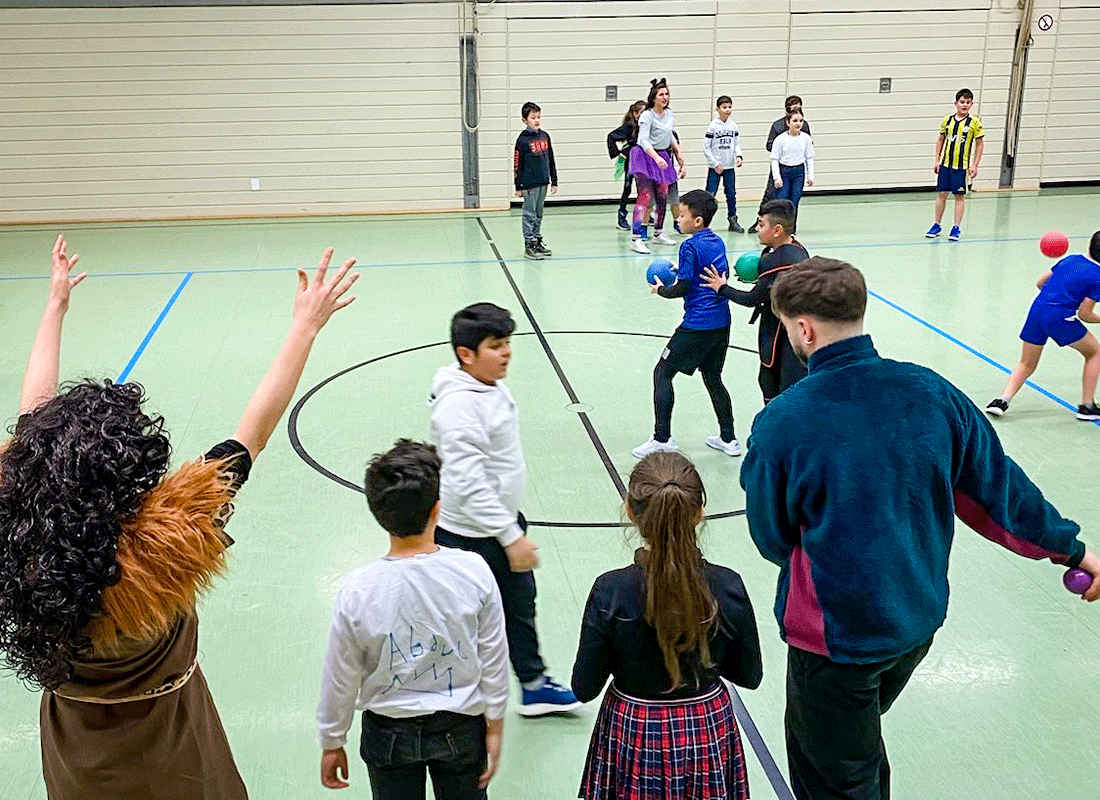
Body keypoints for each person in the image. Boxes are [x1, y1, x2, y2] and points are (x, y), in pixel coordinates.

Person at [0, 237, 359, 800]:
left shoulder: (19, 529)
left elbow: (33, 426)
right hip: (175, 748)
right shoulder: (167, 544)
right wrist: (305, 326)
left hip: (76, 754)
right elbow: (253, 433)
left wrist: (54, 308)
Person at [740, 256, 1100, 800]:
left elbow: (771, 537)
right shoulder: (934, 394)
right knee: (855, 747)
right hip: (915, 624)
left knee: (833, 779)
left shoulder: (784, 422)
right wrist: (1072, 551)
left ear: (803, 329)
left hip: (836, 643)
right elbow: (999, 494)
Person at [316, 440, 509, 799]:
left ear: (376, 511)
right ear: (438, 509)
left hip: (387, 734)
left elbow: (340, 676)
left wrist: (332, 740)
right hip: (460, 727)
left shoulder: (358, 590)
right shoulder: (474, 571)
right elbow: (494, 659)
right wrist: (495, 724)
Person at [571, 451, 762, 800]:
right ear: (699, 512)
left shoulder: (611, 591)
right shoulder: (727, 585)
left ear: (631, 511)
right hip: (706, 730)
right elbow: (749, 675)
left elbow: (584, 686)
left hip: (634, 730)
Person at [428, 303, 580, 716]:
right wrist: (510, 537)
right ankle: (451, 694)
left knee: (519, 604)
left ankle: (533, 685)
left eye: (508, 343)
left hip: (500, 524)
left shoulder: (489, 384)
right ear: (466, 354)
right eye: (496, 346)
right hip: (469, 536)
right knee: (464, 617)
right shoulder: (460, 407)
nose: (506, 353)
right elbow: (466, 482)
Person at [633, 189, 739, 458]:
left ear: (698, 220)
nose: (678, 219)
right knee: (713, 377)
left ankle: (662, 438)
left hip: (697, 324)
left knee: (662, 373)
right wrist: (681, 268)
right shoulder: (716, 241)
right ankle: (729, 439)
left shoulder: (689, 245)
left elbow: (684, 287)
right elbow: (703, 273)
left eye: (682, 215)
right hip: (721, 323)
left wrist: (661, 290)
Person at [701, 199, 810, 403]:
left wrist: (722, 287)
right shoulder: (796, 249)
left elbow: (751, 299)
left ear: (777, 230)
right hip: (798, 330)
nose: (758, 229)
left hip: (784, 335)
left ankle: (779, 429)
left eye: (761, 224)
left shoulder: (776, 262)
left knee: (776, 383)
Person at [986, 230, 1100, 420]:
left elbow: (1040, 283)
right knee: (1094, 352)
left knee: (1027, 363)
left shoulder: (1070, 259)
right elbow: (1085, 314)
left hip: (1037, 310)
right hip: (1060, 318)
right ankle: (1087, 406)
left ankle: (1002, 400)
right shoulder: (1098, 276)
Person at [628, 77, 686, 255]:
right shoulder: (647, 115)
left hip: (662, 155)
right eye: (661, 94)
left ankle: (659, 231)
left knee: (663, 196)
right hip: (645, 156)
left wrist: (678, 153)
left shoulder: (669, 114)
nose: (665, 97)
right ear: (654, 97)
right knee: (645, 197)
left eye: (667, 94)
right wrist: (655, 157)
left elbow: (670, 136)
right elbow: (642, 140)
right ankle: (636, 237)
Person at [925, 88, 984, 242]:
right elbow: (940, 140)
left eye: (968, 102)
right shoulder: (948, 120)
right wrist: (937, 160)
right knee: (941, 194)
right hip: (945, 165)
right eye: (962, 102)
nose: (964, 105)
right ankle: (936, 224)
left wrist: (975, 165)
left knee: (959, 196)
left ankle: (956, 227)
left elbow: (979, 144)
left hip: (961, 167)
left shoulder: (974, 122)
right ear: (956, 103)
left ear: (971, 104)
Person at [749, 96, 812, 235]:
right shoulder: (777, 126)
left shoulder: (804, 127)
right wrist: (783, 149)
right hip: (780, 167)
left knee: (793, 200)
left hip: (797, 168)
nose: (798, 123)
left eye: (799, 108)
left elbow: (808, 148)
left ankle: (789, 228)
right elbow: (770, 146)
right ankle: (761, 221)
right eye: (793, 108)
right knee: (771, 196)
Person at [514, 101, 558, 260]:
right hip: (529, 183)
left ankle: (537, 239)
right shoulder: (522, 140)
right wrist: (518, 185)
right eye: (533, 117)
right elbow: (517, 162)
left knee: (539, 212)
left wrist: (554, 180)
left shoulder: (544, 136)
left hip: (542, 181)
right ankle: (529, 243)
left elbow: (550, 158)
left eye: (538, 117)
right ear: (525, 120)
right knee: (529, 213)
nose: (537, 120)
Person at [704, 94, 745, 233]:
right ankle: (704, 222)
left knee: (731, 194)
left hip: (729, 167)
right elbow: (706, 147)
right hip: (715, 168)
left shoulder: (733, 126)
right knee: (710, 195)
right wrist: (714, 163)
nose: (727, 110)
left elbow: (736, 143)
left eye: (729, 107)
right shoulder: (713, 126)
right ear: (718, 109)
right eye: (724, 107)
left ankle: (733, 220)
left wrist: (738, 156)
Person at [608, 100, 646, 232]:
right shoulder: (630, 126)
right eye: (641, 113)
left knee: (645, 188)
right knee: (628, 187)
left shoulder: (647, 125)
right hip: (631, 160)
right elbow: (611, 136)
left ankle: (646, 216)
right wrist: (617, 153)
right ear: (635, 114)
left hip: (644, 159)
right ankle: (622, 215)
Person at [770, 109, 815, 219]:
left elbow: (809, 158)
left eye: (800, 121)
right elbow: (774, 159)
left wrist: (811, 176)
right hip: (784, 171)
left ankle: (791, 231)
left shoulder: (806, 139)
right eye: (795, 121)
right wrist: (777, 177)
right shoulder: (780, 139)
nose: (798, 123)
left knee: (794, 202)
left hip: (799, 173)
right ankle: (780, 229)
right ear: (788, 122)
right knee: (782, 202)